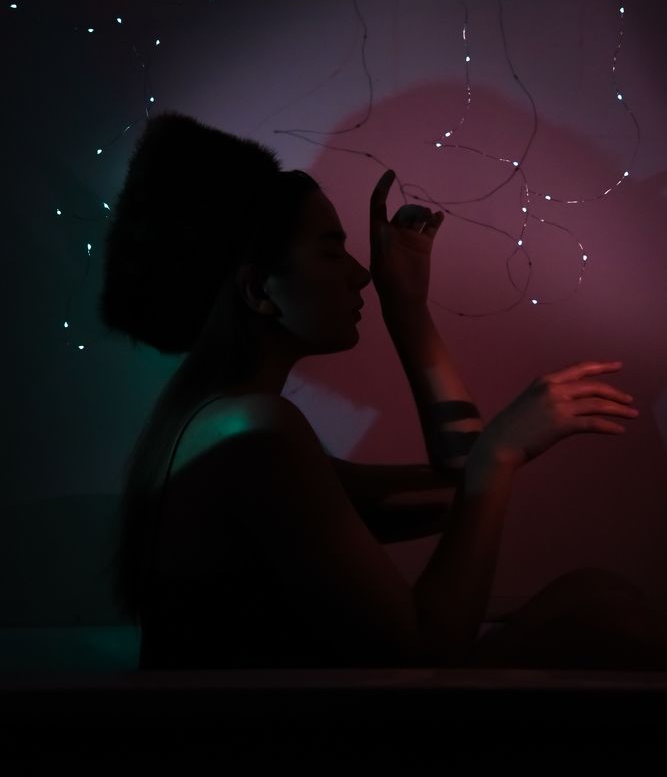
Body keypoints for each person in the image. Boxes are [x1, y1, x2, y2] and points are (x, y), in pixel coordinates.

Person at [100, 110, 667, 670]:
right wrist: (500, 451)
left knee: (595, 602)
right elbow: (424, 650)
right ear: (258, 291)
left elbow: (455, 492)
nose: (361, 273)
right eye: (331, 250)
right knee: (603, 619)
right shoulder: (252, 433)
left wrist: (408, 310)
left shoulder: (222, 423)